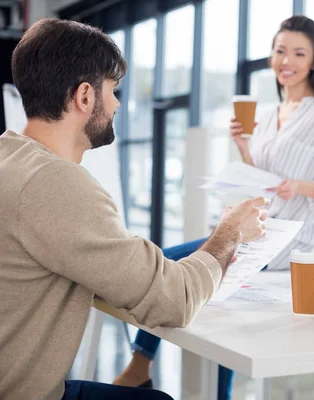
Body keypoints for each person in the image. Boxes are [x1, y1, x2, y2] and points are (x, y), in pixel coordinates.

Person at [0, 18, 268, 400]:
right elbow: (174, 301)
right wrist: (230, 232)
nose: (117, 104)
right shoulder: (55, 184)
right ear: (84, 97)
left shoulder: (10, 158)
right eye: (113, 90)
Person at [114, 15, 314, 399]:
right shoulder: (271, 114)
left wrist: (299, 186)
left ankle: (141, 366)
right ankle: (144, 367)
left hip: (286, 243)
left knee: (173, 270)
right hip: (254, 229)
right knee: (176, 272)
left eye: (298, 53)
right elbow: (262, 181)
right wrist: (243, 150)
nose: (286, 60)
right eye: (280, 50)